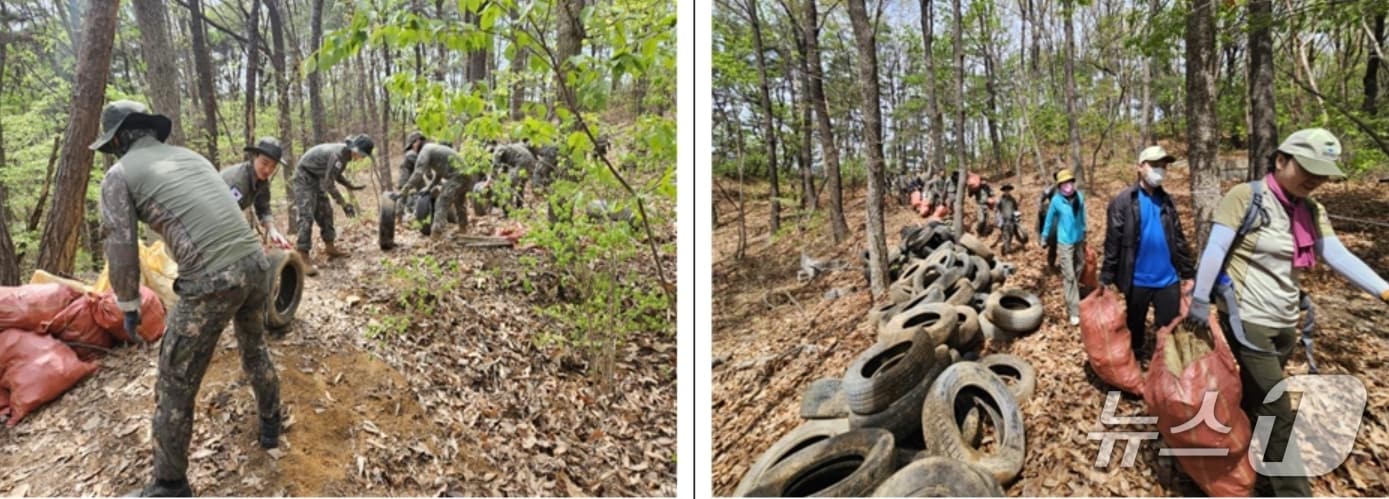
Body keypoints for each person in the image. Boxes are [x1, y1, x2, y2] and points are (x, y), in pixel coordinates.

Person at [1184, 128, 1389, 497]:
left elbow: (1337, 254)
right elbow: (1214, 250)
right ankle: (1293, 491)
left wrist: (1384, 289)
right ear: (1281, 160)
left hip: (1285, 321)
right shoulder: (1245, 197)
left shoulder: (1311, 210)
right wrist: (1200, 300)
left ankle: (1239, 458)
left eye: (1323, 172)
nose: (1315, 178)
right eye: (1307, 167)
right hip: (1247, 320)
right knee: (1278, 408)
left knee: (1257, 397)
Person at [91, 101, 281, 497]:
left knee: (175, 381)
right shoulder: (190, 157)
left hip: (213, 279)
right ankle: (270, 423)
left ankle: (169, 483)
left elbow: (121, 246)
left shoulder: (119, 174)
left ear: (121, 138)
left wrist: (128, 304)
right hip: (257, 266)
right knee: (254, 348)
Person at [1100, 145, 1196, 360]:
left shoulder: (1168, 201)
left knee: (1168, 327)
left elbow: (1178, 238)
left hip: (1168, 279)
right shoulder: (1123, 202)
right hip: (1137, 280)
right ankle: (1136, 359)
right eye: (1154, 165)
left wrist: (1188, 273)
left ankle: (1164, 367)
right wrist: (1106, 278)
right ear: (1140, 167)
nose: (1160, 170)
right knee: (1135, 326)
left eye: (1163, 166)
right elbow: (1112, 242)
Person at [293, 135, 371, 276]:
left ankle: (330, 246)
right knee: (307, 215)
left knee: (326, 211)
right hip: (304, 175)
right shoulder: (339, 155)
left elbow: (336, 174)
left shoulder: (345, 155)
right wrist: (344, 203)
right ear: (356, 150)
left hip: (317, 177)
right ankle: (302, 254)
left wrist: (350, 186)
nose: (362, 158)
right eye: (363, 155)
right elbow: (329, 183)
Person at [221, 137, 291, 249]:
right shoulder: (239, 181)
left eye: (273, 166)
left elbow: (263, 208)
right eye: (265, 163)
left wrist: (273, 231)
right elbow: (227, 215)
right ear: (255, 156)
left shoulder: (262, 181)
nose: (267, 170)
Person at [399, 142, 477, 237]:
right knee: (459, 202)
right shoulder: (434, 149)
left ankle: (436, 233)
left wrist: (406, 188)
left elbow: (418, 173)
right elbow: (439, 174)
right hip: (467, 174)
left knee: (442, 200)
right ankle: (463, 227)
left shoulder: (425, 150)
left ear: (416, 144)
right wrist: (429, 187)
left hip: (457, 176)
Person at [1041, 168, 1087, 326]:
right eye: (1063, 184)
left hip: (1079, 239)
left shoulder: (1079, 197)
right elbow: (1048, 220)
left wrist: (1085, 231)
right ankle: (1074, 310)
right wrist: (1044, 236)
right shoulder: (1056, 201)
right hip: (1065, 241)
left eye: (1069, 182)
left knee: (1080, 267)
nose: (1067, 186)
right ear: (1059, 186)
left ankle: (1072, 291)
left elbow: (1082, 215)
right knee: (1069, 275)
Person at [1037, 170, 1061, 270]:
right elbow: (1040, 198)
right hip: (1055, 217)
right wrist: (1041, 207)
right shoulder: (1051, 188)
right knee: (1053, 242)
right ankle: (1051, 265)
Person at [995, 184, 1027, 255]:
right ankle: (1008, 252)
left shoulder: (1012, 200)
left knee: (1012, 235)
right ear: (1003, 191)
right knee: (1007, 236)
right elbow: (997, 211)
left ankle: (1012, 247)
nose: (1007, 192)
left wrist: (1018, 220)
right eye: (1005, 190)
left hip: (1012, 220)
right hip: (1004, 221)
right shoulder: (1000, 200)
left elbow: (1016, 209)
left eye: (1008, 190)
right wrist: (999, 221)